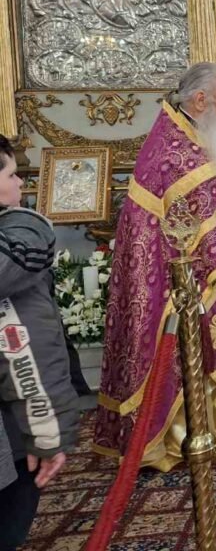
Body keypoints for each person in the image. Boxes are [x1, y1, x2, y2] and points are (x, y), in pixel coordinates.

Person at [94, 63, 216, 471]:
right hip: (183, 285)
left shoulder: (197, 134)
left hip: (207, 274)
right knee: (189, 354)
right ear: (200, 99)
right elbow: (190, 219)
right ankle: (182, 438)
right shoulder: (171, 149)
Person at [0, 134, 81, 550]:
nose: (20, 184)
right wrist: (48, 437)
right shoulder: (21, 239)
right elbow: (32, 353)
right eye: (12, 174)